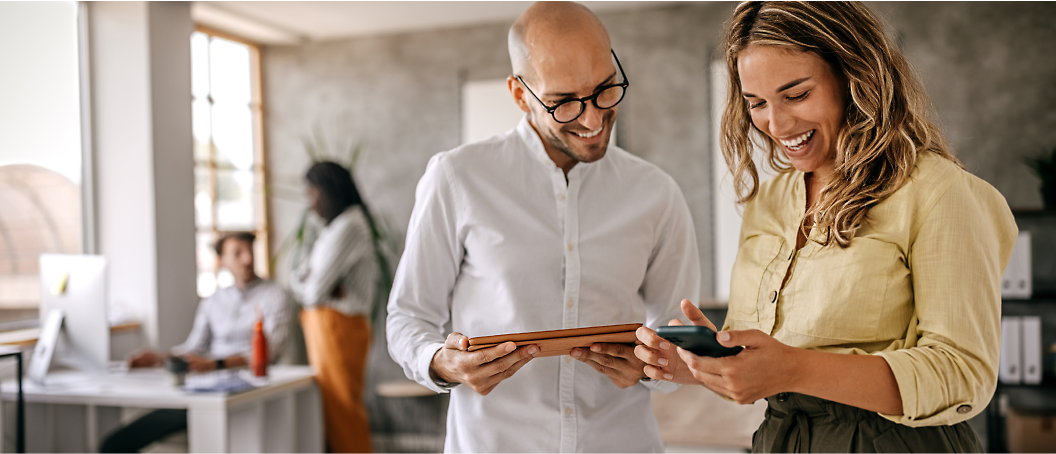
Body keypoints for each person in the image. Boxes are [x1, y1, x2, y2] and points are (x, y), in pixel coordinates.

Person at [635, 2, 1018, 453]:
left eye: (796, 94)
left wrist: (793, 369)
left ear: (854, 75)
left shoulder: (938, 192)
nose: (775, 124)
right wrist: (695, 364)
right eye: (756, 103)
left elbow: (962, 374)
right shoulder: (769, 201)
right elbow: (765, 365)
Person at [386, 2, 701, 453]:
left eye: (605, 89)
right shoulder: (457, 177)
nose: (592, 120)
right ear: (519, 94)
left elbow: (679, 338)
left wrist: (656, 366)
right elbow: (408, 318)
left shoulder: (657, 193)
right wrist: (442, 362)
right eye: (564, 103)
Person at [101, 232, 291, 454]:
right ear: (222, 261)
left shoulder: (275, 295)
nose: (247, 259)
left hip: (250, 391)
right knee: (113, 446)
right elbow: (193, 348)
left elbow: (271, 353)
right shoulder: (213, 301)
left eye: (250, 251)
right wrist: (160, 358)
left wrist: (214, 365)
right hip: (207, 390)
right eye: (238, 253)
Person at [289, 161, 379, 454]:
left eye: (313, 192)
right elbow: (300, 276)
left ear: (328, 191)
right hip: (328, 327)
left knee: (343, 413)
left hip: (340, 328)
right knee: (334, 412)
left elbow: (311, 290)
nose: (310, 202)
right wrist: (314, 284)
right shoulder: (333, 227)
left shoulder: (350, 225)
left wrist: (313, 285)